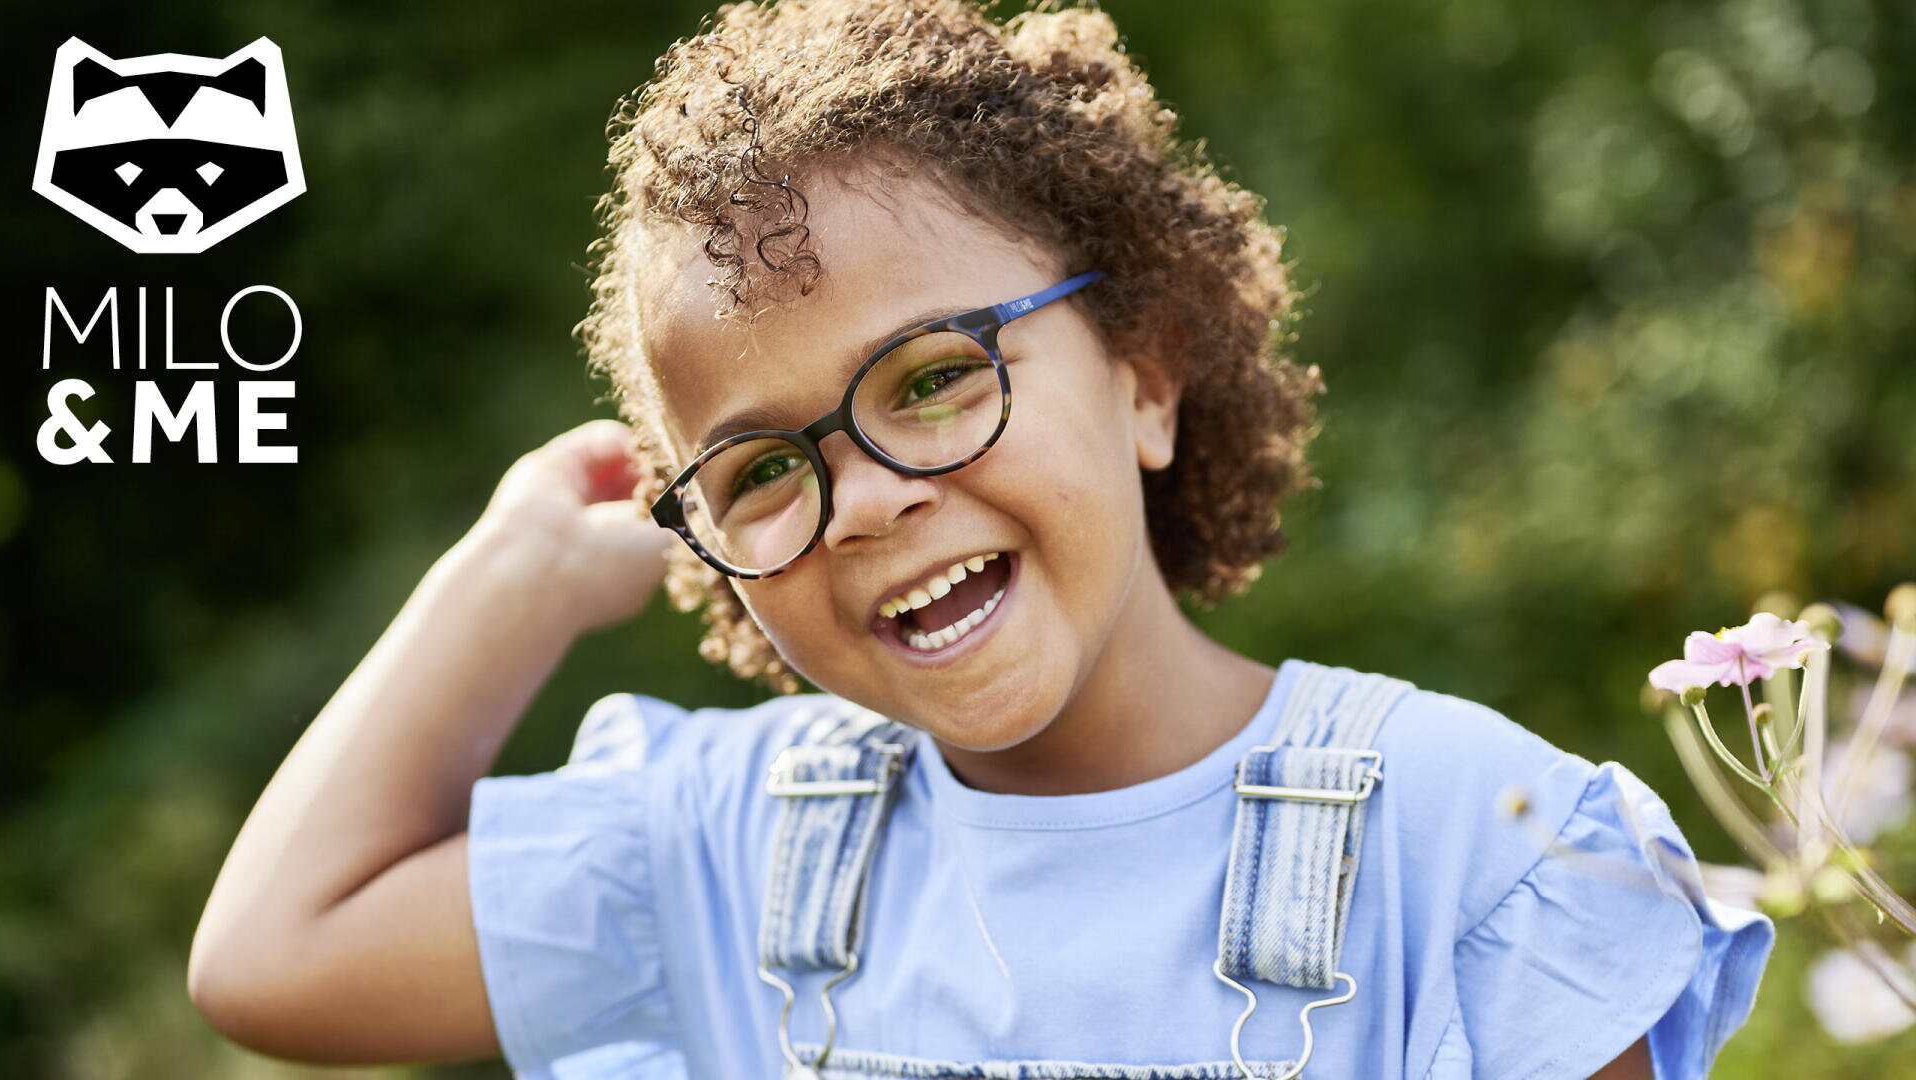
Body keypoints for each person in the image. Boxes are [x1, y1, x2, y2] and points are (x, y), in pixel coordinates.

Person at [187, 2, 1774, 1077]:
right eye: (755, 475)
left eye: (937, 380)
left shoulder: (1476, 847)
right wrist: (512, 578)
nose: (865, 495)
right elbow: (272, 955)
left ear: (1146, 372)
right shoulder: (720, 855)